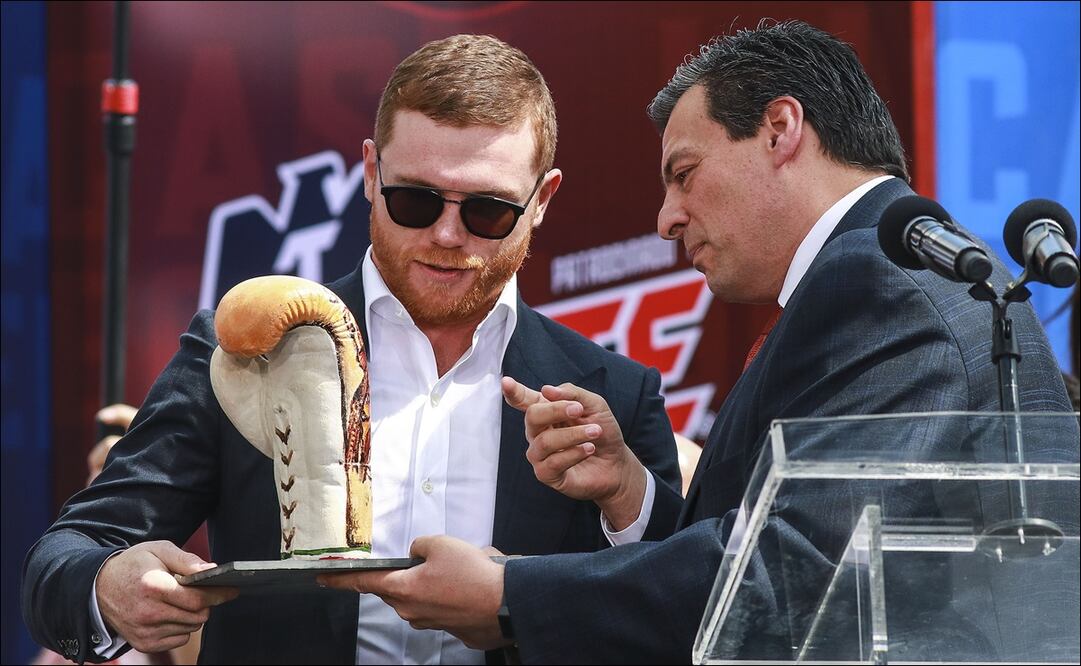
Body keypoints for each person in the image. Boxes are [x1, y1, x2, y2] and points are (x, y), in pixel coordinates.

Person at [319, 20, 1075, 663]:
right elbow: (782, 553)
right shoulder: (878, 280)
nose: (666, 219)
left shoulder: (881, 286)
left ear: (780, 130)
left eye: (683, 174)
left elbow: (800, 576)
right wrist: (627, 490)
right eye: (416, 199)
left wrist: (510, 594)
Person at [21, 35, 682, 665]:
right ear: (370, 173)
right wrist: (109, 586)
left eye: (487, 210)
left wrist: (625, 497)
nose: (447, 234)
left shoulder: (614, 395)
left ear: (542, 200)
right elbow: (65, 557)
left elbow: (679, 608)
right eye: (414, 200)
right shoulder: (246, 353)